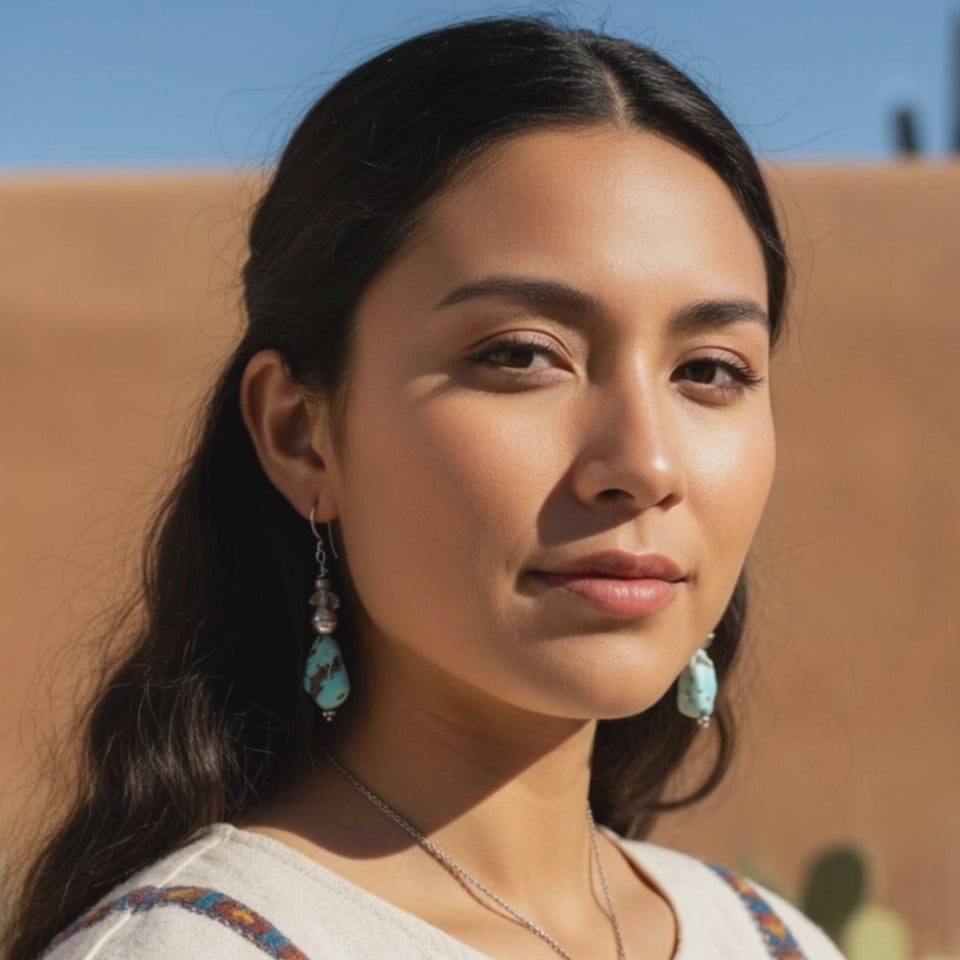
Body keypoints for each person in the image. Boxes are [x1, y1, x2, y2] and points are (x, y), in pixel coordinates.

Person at [5, 15, 845, 960]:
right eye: (523, 354)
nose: (645, 465)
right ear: (299, 433)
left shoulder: (777, 940)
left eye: (710, 371)